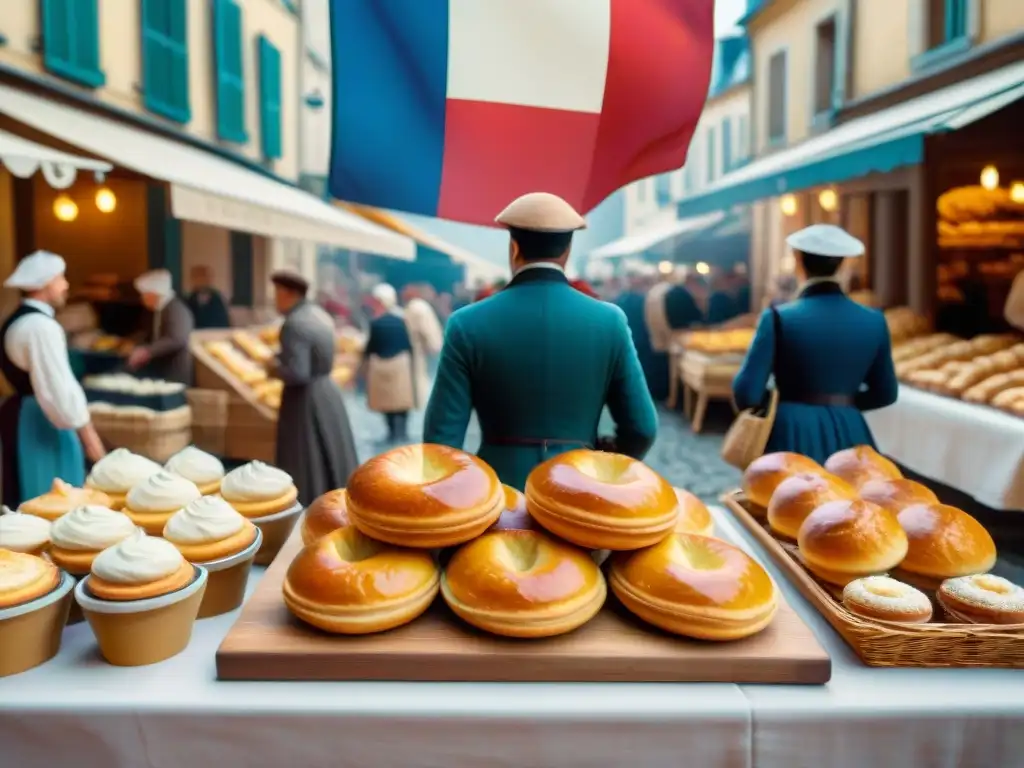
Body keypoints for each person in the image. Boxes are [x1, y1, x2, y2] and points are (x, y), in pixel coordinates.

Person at [424, 192, 658, 490]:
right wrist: (606, 459)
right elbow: (642, 428)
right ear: (567, 250)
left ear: (514, 247)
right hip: (583, 488)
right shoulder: (609, 320)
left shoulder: (466, 323)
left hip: (498, 492)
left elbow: (441, 441)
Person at [732, 224, 898, 463]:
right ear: (843, 264)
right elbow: (886, 393)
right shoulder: (875, 321)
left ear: (798, 261)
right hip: (851, 432)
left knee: (790, 496)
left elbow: (746, 392)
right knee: (851, 497)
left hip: (790, 431)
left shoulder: (778, 318)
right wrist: (843, 403)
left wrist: (780, 403)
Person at [0, 251, 106, 506]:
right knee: (50, 502)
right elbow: (59, 389)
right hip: (42, 420)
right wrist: (91, 439)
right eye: (60, 278)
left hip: (29, 414)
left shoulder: (24, 320)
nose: (66, 285)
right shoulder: (40, 327)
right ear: (45, 284)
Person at [268, 271, 359, 502]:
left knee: (306, 461)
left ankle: (310, 507)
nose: (274, 299)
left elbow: (297, 372)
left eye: (277, 293)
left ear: (289, 294)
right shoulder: (319, 314)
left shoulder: (294, 323)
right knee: (328, 456)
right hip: (326, 391)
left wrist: (272, 366)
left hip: (304, 399)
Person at [363, 283, 416, 441]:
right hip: (400, 364)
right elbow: (408, 345)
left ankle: (392, 432)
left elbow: (370, 347)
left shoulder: (375, 323)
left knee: (386, 403)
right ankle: (402, 432)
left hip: (380, 365)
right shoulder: (401, 321)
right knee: (402, 402)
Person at [127, 269, 195, 384]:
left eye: (144, 295)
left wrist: (147, 351)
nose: (142, 299)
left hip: (175, 371)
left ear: (154, 294)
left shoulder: (176, 310)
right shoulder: (156, 311)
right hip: (159, 370)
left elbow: (177, 338)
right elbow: (149, 334)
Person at [402, 284, 444, 407]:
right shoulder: (421, 307)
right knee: (422, 383)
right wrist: (435, 347)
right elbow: (429, 331)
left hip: (414, 351)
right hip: (423, 351)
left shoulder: (411, 307)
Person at [184, 265, 230, 329]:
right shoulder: (188, 300)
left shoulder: (218, 298)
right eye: (198, 277)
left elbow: (224, 323)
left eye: (207, 277)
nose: (205, 280)